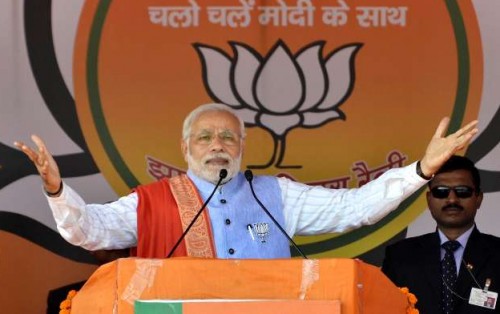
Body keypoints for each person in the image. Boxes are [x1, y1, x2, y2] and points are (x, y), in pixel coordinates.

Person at [15, 103, 478, 259]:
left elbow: (355, 209)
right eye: (205, 137)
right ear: (185, 148)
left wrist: (421, 170)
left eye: (227, 137)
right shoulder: (152, 202)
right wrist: (57, 190)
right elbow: (88, 230)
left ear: (241, 146)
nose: (216, 144)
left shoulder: (277, 194)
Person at [382, 155, 500, 313]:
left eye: (462, 191)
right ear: (429, 199)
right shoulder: (400, 256)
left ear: (478, 198)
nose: (452, 199)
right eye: (441, 192)